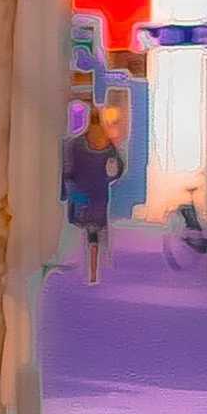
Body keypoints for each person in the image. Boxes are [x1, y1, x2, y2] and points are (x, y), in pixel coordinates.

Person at [61, 112, 128, 285]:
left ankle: (88, 269)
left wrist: (68, 187)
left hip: (82, 191)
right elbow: (119, 167)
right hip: (99, 191)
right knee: (97, 228)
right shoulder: (107, 144)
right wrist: (108, 178)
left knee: (84, 228)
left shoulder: (77, 144)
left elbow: (69, 170)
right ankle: (97, 267)